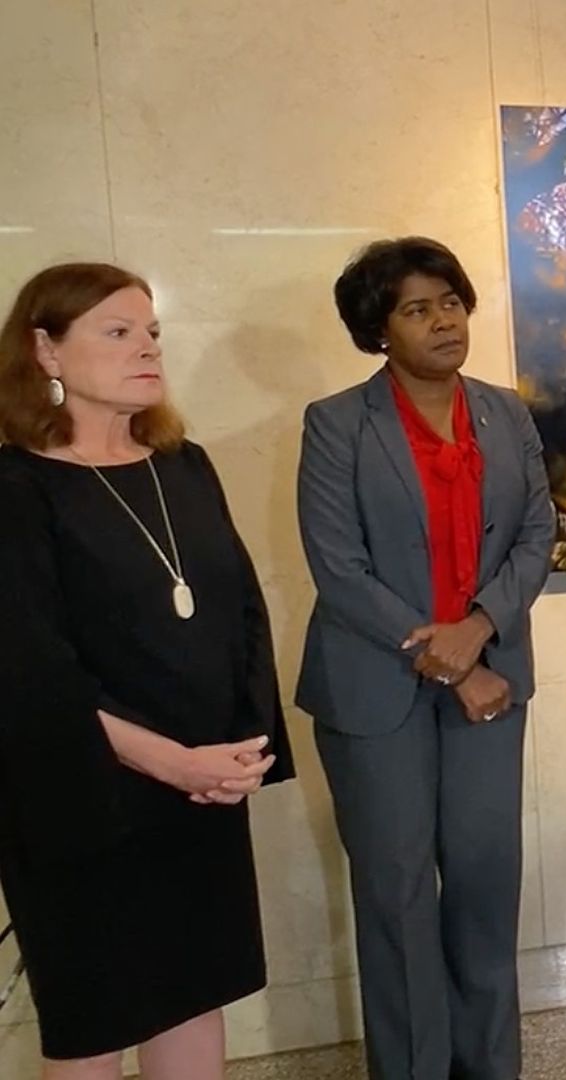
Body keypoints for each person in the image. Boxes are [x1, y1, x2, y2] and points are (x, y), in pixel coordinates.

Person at [0, 262, 292, 1079]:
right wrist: (169, 762)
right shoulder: (17, 485)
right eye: (118, 331)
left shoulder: (183, 464)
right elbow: (30, 670)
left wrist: (240, 748)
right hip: (81, 795)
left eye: (153, 332)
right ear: (46, 351)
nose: (148, 348)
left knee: (197, 995)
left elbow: (241, 610)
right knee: (96, 1020)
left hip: (202, 788)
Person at [296, 237, 555, 1080]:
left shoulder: (506, 413)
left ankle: (491, 1067)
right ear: (379, 329)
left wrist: (480, 628)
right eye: (417, 309)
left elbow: (537, 534)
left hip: (490, 683)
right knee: (398, 894)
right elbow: (339, 569)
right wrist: (453, 659)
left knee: (485, 883)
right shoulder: (337, 424)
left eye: (451, 302)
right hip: (376, 691)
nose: (444, 321)